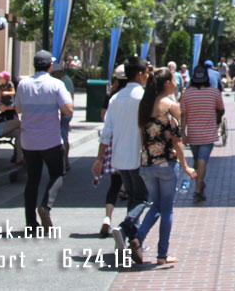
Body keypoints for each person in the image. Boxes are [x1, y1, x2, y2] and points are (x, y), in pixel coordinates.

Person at [134, 68, 198, 266]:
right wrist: (186, 166)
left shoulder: (144, 106)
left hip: (147, 164)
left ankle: (137, 238)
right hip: (166, 164)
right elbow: (178, 141)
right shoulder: (171, 107)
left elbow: (142, 136)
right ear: (167, 84)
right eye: (173, 80)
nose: (177, 84)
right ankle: (162, 254)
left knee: (157, 205)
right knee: (167, 209)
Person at [93, 56, 149, 257]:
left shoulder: (115, 99)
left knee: (133, 197)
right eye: (147, 73)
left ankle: (135, 242)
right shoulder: (144, 97)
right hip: (140, 156)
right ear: (141, 74)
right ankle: (125, 229)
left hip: (119, 157)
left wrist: (99, 158)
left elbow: (106, 132)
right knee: (143, 197)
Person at [16, 50, 73, 235]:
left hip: (29, 140)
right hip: (50, 139)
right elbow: (68, 109)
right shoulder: (56, 84)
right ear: (50, 66)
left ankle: (30, 222)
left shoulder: (23, 84)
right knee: (57, 174)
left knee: (32, 179)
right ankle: (46, 206)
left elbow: (17, 108)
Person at [179, 63, 224, 202]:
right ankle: (198, 189)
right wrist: (216, 118)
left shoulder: (186, 94)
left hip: (193, 134)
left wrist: (183, 133)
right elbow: (221, 109)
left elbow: (184, 115)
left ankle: (199, 185)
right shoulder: (214, 92)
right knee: (202, 161)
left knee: (198, 160)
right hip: (208, 133)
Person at [97, 65, 127, 238]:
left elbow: (104, 117)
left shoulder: (111, 98)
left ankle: (107, 217)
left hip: (113, 143)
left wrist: (99, 157)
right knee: (134, 186)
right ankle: (128, 225)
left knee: (114, 184)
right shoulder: (136, 96)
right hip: (130, 144)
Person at [51, 59, 75, 171]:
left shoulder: (64, 82)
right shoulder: (65, 81)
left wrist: (63, 115)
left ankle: (64, 161)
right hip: (64, 113)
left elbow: (66, 100)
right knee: (63, 136)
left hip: (64, 114)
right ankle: (64, 161)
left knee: (63, 137)